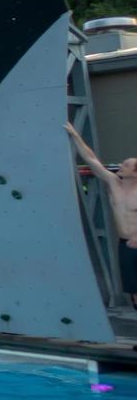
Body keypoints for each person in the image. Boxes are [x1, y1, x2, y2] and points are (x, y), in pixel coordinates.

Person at [66, 123, 137, 307]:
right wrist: (75, 135)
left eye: (126, 165)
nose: (121, 166)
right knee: (133, 291)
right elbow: (91, 159)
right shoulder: (114, 183)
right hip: (125, 244)